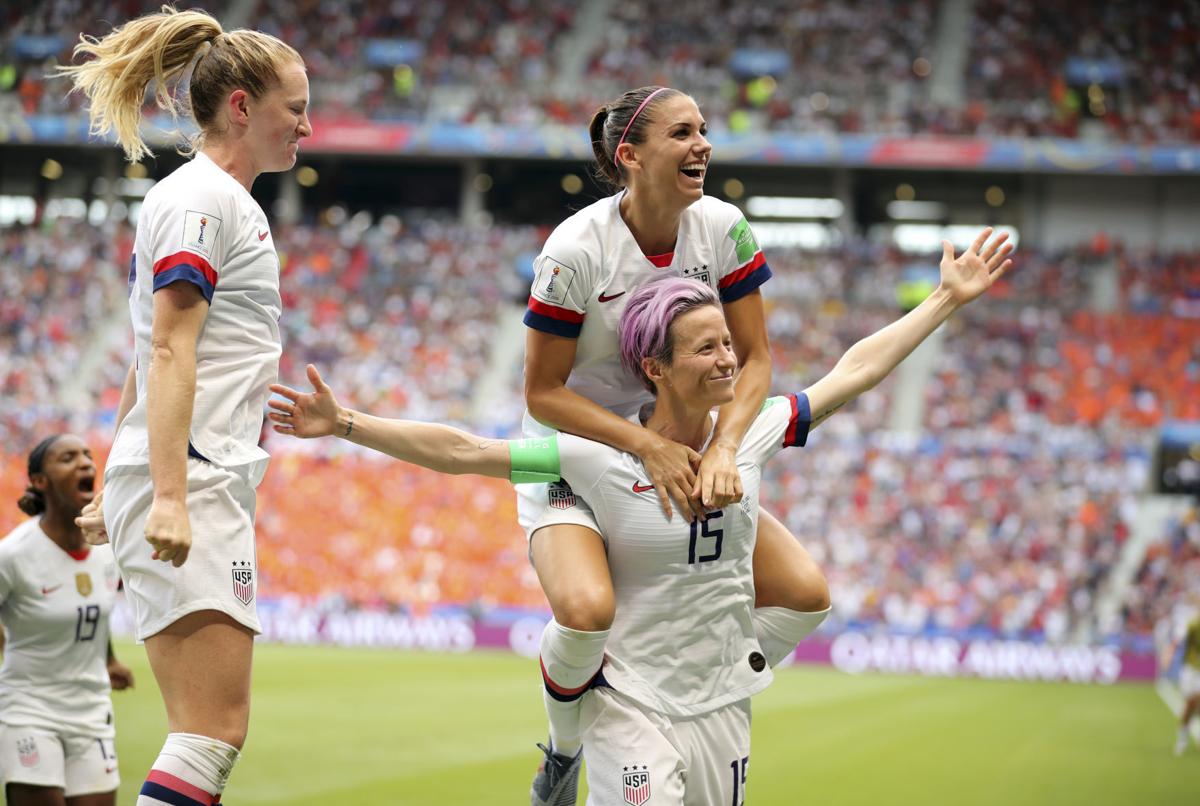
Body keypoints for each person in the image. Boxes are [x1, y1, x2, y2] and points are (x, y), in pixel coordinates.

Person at [268, 228, 1013, 804]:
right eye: (706, 349)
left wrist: (945, 300)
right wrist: (346, 424)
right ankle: (564, 748)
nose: (728, 360)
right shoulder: (598, 459)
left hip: (721, 701)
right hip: (629, 702)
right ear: (654, 368)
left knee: (808, 594)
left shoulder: (747, 435)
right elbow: (465, 450)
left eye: (727, 342)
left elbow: (855, 371)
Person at [519, 84, 833, 803]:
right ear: (630, 154)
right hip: (585, 453)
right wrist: (640, 444)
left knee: (804, 594)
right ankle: (565, 752)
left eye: (705, 130)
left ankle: (689, 684)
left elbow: (755, 361)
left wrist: (721, 449)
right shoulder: (574, 250)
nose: (704, 146)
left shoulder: (723, 228)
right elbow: (542, 394)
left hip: (680, 448)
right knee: (587, 611)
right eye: (683, 133)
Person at [61, 7, 311, 804]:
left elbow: (149, 353)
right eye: (295, 108)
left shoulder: (224, 201)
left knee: (214, 729)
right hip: (193, 479)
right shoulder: (204, 201)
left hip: (201, 476)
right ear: (242, 106)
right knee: (209, 731)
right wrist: (164, 492)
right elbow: (168, 348)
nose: (307, 125)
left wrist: (116, 479)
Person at [0, 435, 134, 806]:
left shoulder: (108, 550)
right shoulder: (13, 555)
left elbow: (93, 607)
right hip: (29, 709)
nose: (86, 463)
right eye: (68, 458)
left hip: (92, 710)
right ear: (40, 481)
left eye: (89, 456)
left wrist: (107, 659)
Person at [1174, 610, 1200, 755]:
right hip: (1190, 669)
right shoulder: (1193, 625)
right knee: (1190, 705)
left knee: (1197, 701)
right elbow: (1178, 640)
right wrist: (1169, 653)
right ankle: (1182, 737)